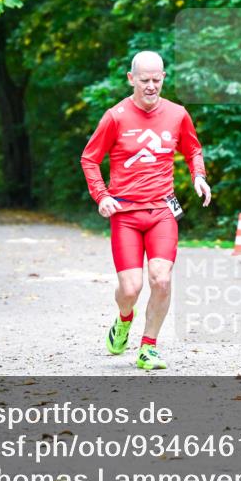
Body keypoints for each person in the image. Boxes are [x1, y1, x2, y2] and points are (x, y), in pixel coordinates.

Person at [81, 51, 212, 370]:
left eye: (157, 79)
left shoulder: (178, 114)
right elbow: (90, 159)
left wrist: (198, 176)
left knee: (161, 280)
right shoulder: (115, 117)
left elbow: (192, 148)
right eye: (145, 81)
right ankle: (125, 319)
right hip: (125, 214)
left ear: (164, 77)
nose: (151, 86)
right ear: (131, 79)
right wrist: (101, 196)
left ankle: (148, 347)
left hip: (163, 211)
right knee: (130, 289)